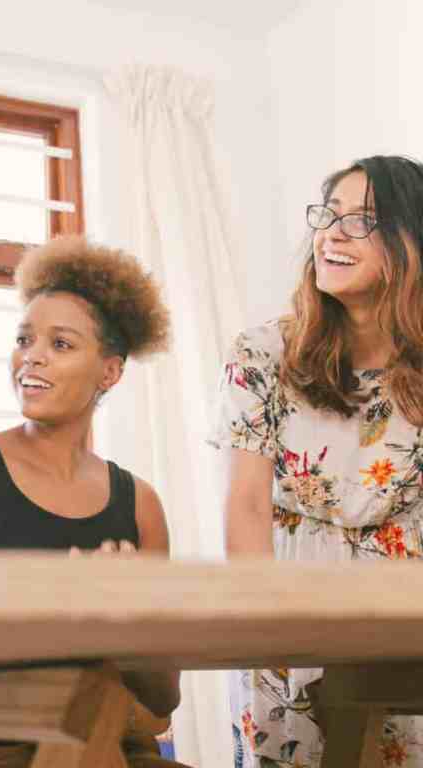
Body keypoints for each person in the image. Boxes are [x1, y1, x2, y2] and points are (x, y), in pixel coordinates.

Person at [0, 235, 183, 767]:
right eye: (24, 339)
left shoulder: (140, 504)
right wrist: (66, 615)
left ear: (110, 371)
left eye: (60, 344)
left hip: (117, 751)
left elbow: (163, 696)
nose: (31, 356)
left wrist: (128, 620)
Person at [213, 155, 423, 767]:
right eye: (329, 215)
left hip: (403, 611)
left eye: (361, 220)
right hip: (285, 599)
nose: (332, 233)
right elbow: (246, 505)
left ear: (410, 242)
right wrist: (264, 625)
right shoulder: (262, 353)